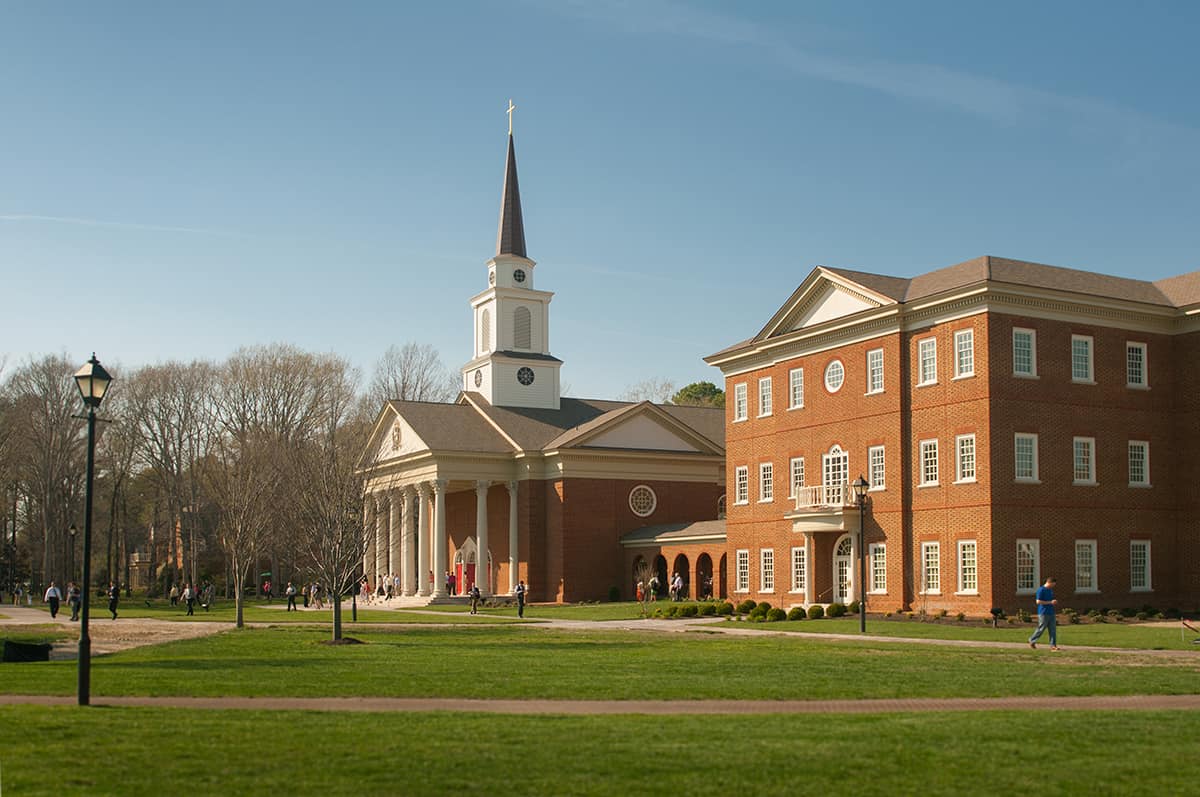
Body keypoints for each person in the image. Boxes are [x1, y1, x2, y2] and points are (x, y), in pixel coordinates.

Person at [1028, 576, 1059, 650]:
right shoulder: (1041, 590)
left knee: (1053, 629)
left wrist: (1053, 602)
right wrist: (1050, 602)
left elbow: (1050, 600)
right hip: (1043, 612)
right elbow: (1038, 601)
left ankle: (1053, 645)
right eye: (1053, 584)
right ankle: (1032, 640)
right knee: (1041, 628)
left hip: (1051, 612)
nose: (1053, 586)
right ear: (1049, 582)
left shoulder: (1050, 590)